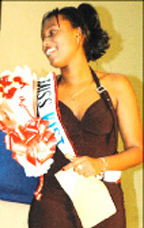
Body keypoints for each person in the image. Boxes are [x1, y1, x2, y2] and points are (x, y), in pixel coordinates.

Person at [28, 3, 143, 227]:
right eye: (43, 38)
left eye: (52, 33)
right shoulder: (39, 92)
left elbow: (138, 151)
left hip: (103, 202)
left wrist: (100, 164)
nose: (45, 43)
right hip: (52, 203)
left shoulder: (117, 85)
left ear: (78, 34)